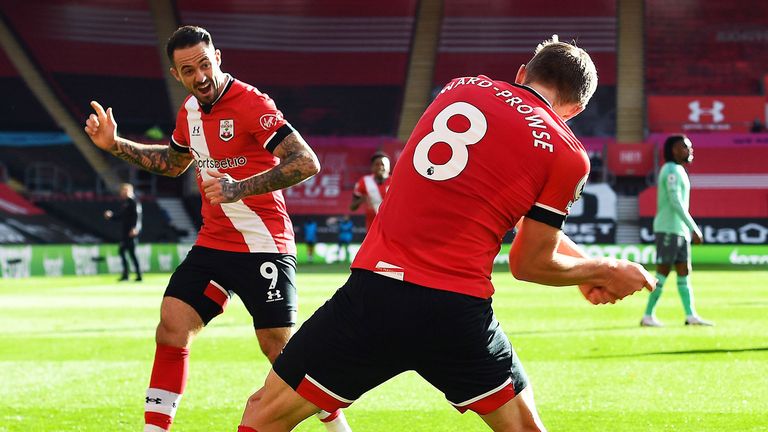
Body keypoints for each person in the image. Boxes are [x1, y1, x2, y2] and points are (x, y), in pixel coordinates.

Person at [238, 36, 654, 432]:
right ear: (577, 109)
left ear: (523, 71)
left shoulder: (462, 87)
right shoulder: (566, 153)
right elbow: (528, 263)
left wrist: (585, 268)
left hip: (376, 294)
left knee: (265, 414)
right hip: (454, 311)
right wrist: (609, 269)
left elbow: (484, 202)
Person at [84, 26, 350, 432]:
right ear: (177, 75)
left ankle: (337, 426)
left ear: (218, 58)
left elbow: (305, 162)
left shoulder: (251, 102)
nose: (200, 76)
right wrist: (116, 144)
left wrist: (237, 188)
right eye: (188, 70)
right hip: (213, 243)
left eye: (205, 64)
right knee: (172, 326)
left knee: (280, 351)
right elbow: (174, 164)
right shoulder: (188, 113)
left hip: (264, 245)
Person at [641, 135, 713, 327]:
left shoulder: (679, 170)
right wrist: (694, 227)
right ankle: (648, 316)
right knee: (663, 271)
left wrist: (687, 229)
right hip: (668, 229)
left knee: (684, 271)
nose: (690, 150)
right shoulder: (670, 170)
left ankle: (691, 316)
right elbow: (675, 202)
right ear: (674, 150)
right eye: (685, 147)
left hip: (679, 229)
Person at [104, 182, 143, 282]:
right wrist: (111, 216)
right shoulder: (126, 203)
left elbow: (138, 217)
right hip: (126, 232)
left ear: (129, 190)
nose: (122, 192)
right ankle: (132, 275)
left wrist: (135, 228)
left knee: (128, 253)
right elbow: (121, 217)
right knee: (127, 253)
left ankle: (133, 275)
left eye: (124, 190)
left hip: (131, 232)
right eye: (122, 191)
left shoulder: (133, 201)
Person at [349, 152, 391, 231]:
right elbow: (352, 207)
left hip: (391, 225)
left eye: (383, 164)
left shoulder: (395, 182)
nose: (380, 167)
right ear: (372, 167)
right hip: (372, 227)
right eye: (377, 164)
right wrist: (362, 199)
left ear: (389, 167)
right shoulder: (364, 181)